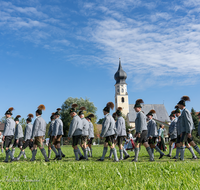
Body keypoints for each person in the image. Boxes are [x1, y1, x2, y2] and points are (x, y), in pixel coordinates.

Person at [178, 96, 200, 161]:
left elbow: (188, 122)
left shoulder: (185, 111)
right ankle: (196, 155)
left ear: (182, 105)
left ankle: (182, 158)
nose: (178, 106)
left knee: (182, 142)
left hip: (186, 131)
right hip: (184, 131)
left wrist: (189, 132)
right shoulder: (183, 112)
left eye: (179, 105)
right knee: (192, 143)